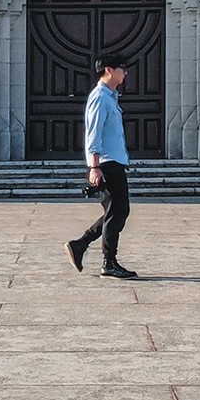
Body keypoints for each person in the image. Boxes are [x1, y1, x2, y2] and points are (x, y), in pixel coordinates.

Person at [66, 60, 135, 279]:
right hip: (107, 163)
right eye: (121, 68)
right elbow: (92, 134)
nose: (125, 72)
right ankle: (108, 262)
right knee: (118, 211)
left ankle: (80, 245)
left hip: (114, 162)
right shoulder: (100, 98)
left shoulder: (111, 97)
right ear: (109, 70)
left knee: (116, 212)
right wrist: (93, 167)